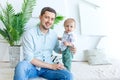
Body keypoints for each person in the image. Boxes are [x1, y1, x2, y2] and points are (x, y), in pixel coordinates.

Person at [13, 7, 76, 80]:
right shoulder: (29, 34)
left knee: (69, 76)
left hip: (48, 69)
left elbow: (58, 50)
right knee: (21, 66)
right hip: (32, 67)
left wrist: (69, 49)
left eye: (52, 19)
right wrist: (51, 66)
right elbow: (29, 58)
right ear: (40, 17)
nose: (49, 21)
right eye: (47, 17)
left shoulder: (53, 34)